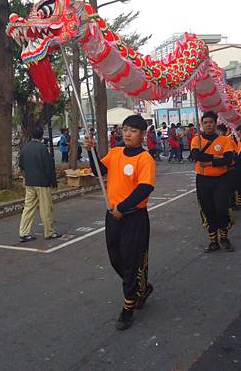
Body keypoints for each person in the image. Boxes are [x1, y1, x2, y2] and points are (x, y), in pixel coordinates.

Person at [85, 114, 155, 331]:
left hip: (134, 217)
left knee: (131, 262)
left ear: (142, 135)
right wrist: (91, 151)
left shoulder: (145, 159)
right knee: (116, 258)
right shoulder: (115, 153)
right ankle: (142, 288)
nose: (127, 133)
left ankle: (128, 307)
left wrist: (122, 208)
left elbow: (145, 188)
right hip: (113, 217)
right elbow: (98, 170)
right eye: (125, 129)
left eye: (133, 130)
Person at [191, 111, 235, 253]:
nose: (208, 125)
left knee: (222, 209)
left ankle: (224, 238)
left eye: (211, 122)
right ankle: (213, 241)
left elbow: (228, 159)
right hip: (203, 180)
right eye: (205, 123)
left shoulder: (224, 140)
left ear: (216, 123)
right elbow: (196, 156)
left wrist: (209, 162)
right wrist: (217, 157)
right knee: (207, 209)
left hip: (221, 180)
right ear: (202, 124)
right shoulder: (196, 140)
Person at [18, 126, 61, 242]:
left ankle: (24, 232)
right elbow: (49, 167)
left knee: (28, 207)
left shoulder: (25, 148)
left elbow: (21, 165)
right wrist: (53, 182)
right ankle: (49, 232)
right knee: (46, 208)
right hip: (42, 182)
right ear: (42, 136)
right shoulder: (42, 149)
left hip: (29, 181)